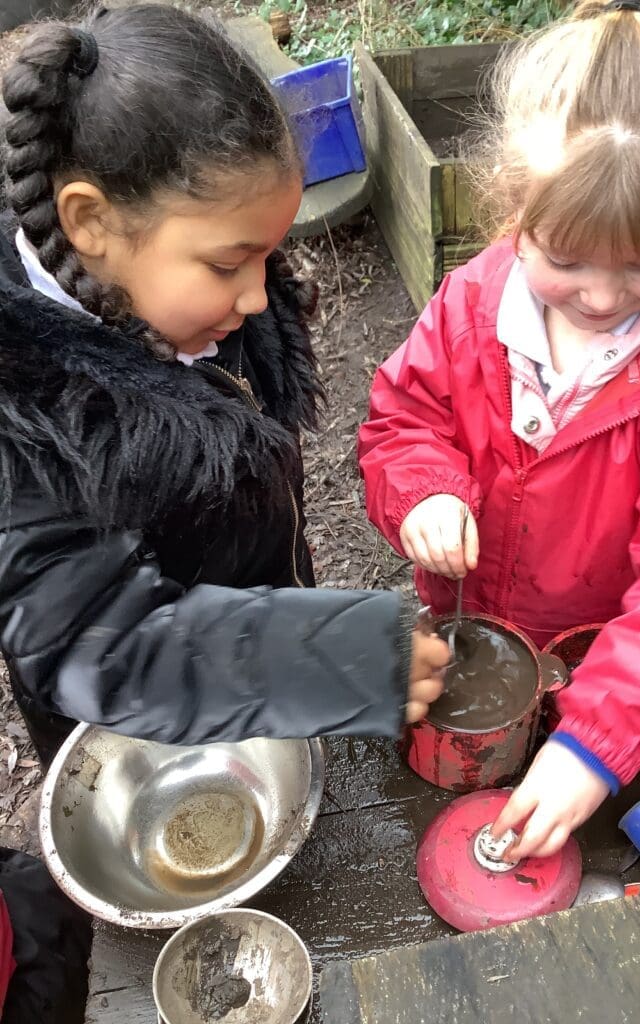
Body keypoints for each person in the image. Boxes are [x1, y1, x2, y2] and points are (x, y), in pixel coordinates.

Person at [359, 0, 640, 861]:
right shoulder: (475, 299)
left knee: (575, 818)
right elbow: (403, 420)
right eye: (566, 259)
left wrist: (598, 742)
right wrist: (425, 488)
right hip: (473, 622)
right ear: (513, 208)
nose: (602, 297)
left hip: (605, 657)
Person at [0, 3, 448, 768]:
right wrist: (326, 658)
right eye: (226, 264)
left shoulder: (164, 296)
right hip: (139, 748)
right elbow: (100, 642)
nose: (253, 299)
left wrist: (294, 616)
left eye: (267, 256)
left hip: (251, 661)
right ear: (89, 222)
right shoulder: (33, 422)